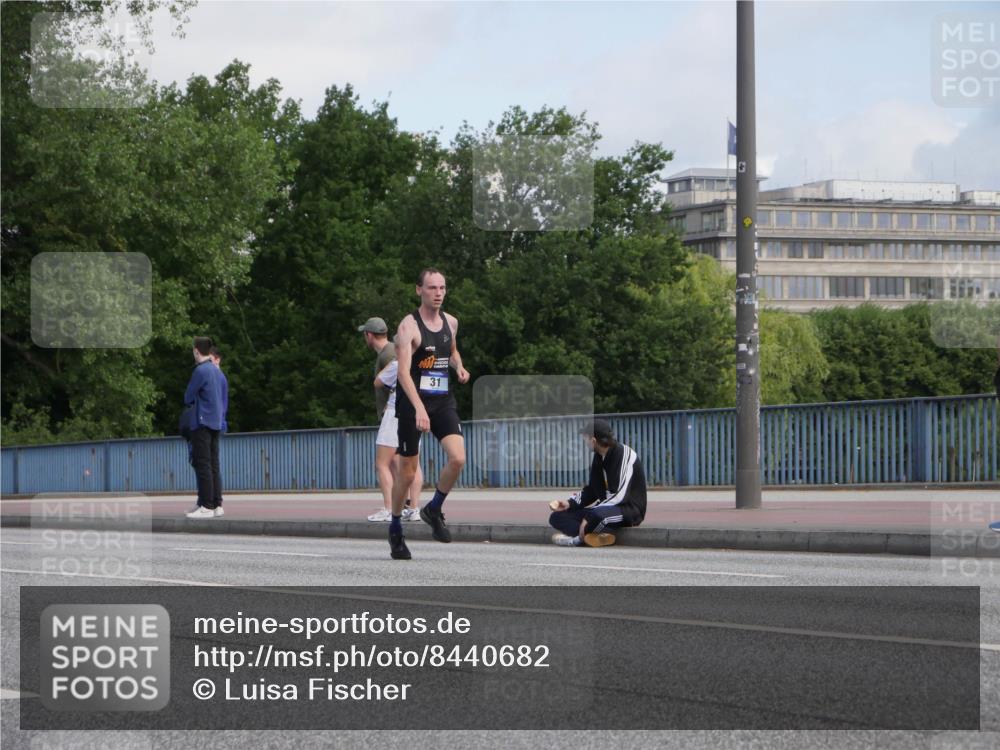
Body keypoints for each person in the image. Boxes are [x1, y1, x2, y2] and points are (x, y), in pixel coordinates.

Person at [388, 268, 470, 560]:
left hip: (442, 400)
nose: (438, 293)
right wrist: (419, 408)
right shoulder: (408, 327)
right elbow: (403, 375)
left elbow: (452, 350)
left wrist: (458, 367)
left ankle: (434, 508)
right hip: (413, 403)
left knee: (458, 458)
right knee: (409, 473)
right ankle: (396, 528)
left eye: (442, 288)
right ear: (419, 290)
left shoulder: (451, 322)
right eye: (432, 288)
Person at [359, 317, 421, 522]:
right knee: (410, 463)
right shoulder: (424, 361)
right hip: (416, 412)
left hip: (395, 412)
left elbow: (379, 382)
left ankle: (388, 508)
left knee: (383, 463)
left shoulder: (395, 359)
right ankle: (413, 507)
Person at [548, 418, 647, 547]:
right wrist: (569, 503)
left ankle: (580, 538)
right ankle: (598, 535)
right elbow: (593, 490)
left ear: (593, 440)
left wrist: (589, 516)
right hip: (606, 508)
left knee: (595, 516)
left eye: (585, 438)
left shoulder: (624, 454)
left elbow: (619, 496)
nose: (584, 442)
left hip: (628, 509)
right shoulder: (599, 456)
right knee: (556, 517)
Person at [184, 337, 226, 519]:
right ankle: (217, 504)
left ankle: (206, 505)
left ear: (196, 351)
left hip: (202, 422)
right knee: (214, 464)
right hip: (217, 423)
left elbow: (188, 397)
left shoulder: (201, 371)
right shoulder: (218, 372)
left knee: (203, 464)